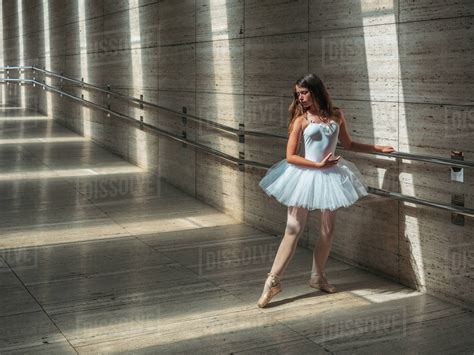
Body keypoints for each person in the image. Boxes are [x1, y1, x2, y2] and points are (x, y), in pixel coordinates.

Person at [256, 74, 395, 308]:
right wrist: (318, 165)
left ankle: (317, 277)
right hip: (305, 175)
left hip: (331, 177)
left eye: (303, 93)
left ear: (315, 90)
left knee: (328, 231)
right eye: (297, 94)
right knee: (293, 229)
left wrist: (377, 147)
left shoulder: (336, 115)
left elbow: (348, 144)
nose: (299, 98)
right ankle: (272, 281)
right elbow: (290, 157)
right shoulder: (301, 120)